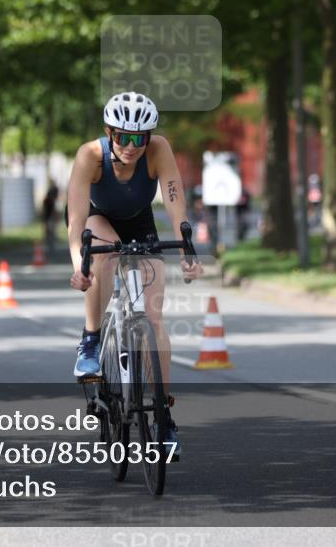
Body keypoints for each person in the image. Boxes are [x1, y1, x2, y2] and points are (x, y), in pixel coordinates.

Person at [66, 92, 202, 454]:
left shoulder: (159, 150)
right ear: (109, 131)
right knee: (105, 257)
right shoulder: (89, 156)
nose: (130, 146)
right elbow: (76, 220)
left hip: (141, 224)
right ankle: (91, 340)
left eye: (139, 138)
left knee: (154, 319)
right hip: (99, 220)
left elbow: (175, 201)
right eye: (123, 137)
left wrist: (186, 249)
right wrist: (78, 264)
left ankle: (163, 415)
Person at [42, 179, 59, 254]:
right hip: (47, 215)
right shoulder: (49, 198)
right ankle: (49, 244)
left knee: (51, 230)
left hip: (49, 216)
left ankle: (51, 245)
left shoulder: (52, 197)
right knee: (48, 230)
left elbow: (53, 208)